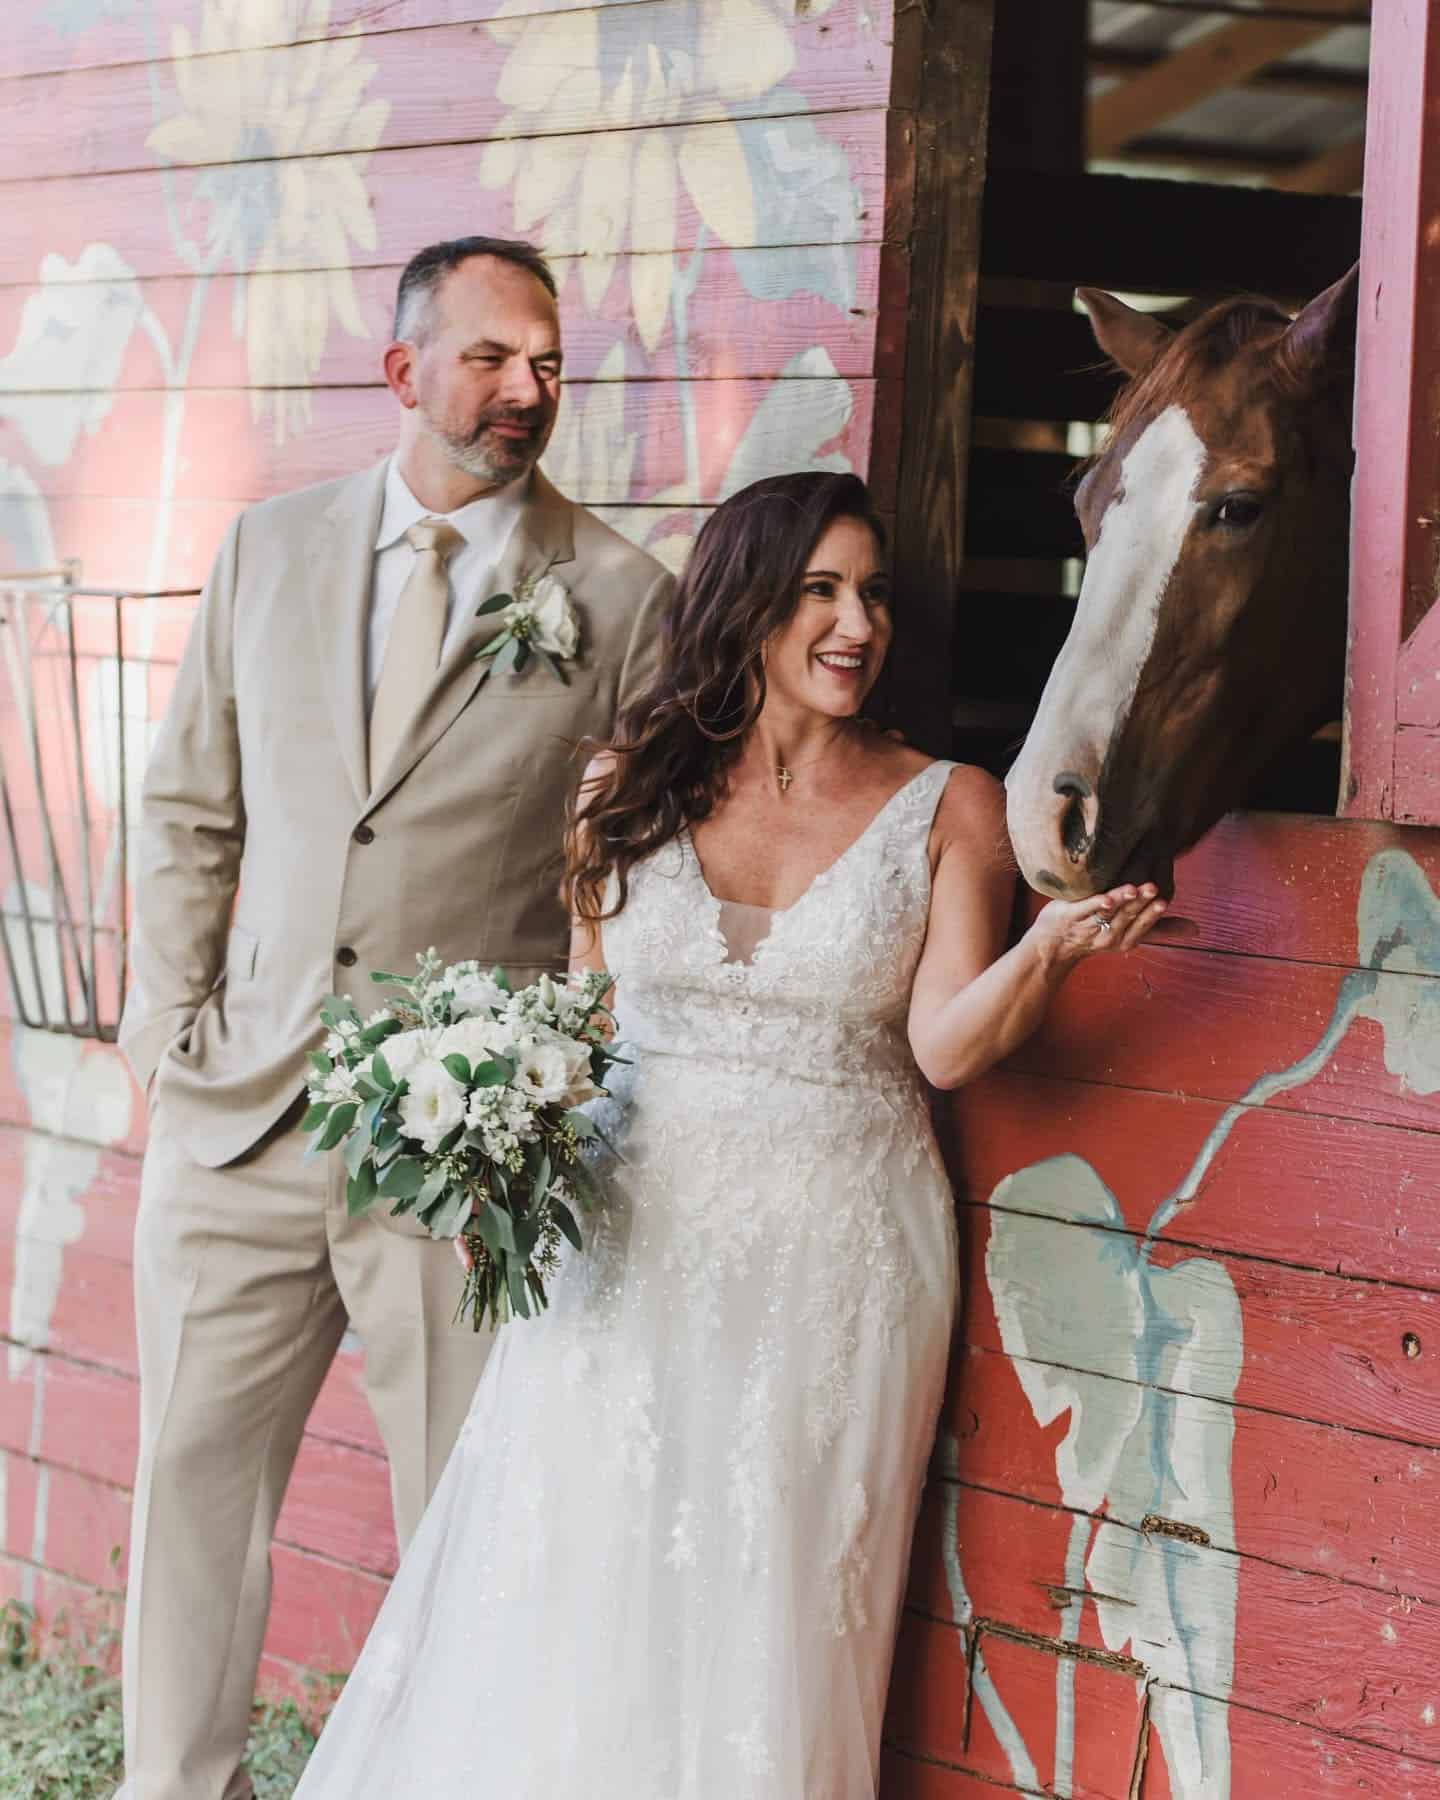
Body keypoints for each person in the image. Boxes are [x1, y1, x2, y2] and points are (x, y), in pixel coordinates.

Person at [292, 469, 1167, 1796]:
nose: (856, 623)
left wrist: (1051, 952)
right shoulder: (622, 783)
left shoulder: (951, 804)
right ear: (744, 603)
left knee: (776, 1575)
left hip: (837, 1245)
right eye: (819, 590)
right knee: (580, 1554)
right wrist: (496, 1124)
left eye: (872, 594)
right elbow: (582, 1027)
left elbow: (942, 1045)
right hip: (625, 1226)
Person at [114, 236, 673, 1800]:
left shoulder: (626, 598)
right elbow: (187, 809)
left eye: (549, 364)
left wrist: (553, 1078)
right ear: (404, 370)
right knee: (190, 1485)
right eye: (493, 359)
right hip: (241, 1117)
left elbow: (631, 872)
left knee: (465, 1517)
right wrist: (173, 1024)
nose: (526, 392)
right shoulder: (269, 551)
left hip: (457, 1149)